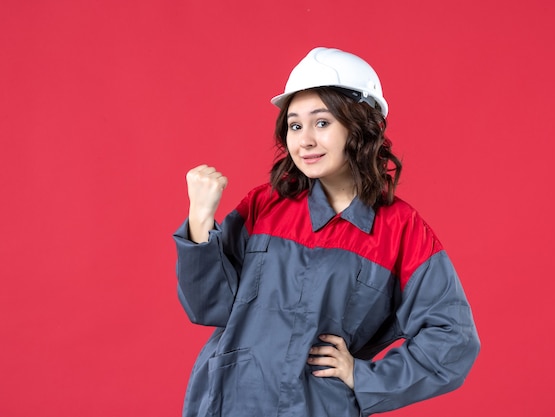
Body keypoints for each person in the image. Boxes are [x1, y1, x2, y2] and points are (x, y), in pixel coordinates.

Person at [173, 47, 480, 417]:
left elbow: (454, 340)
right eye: (295, 125)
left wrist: (363, 377)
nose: (305, 141)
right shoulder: (265, 205)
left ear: (361, 126)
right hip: (228, 401)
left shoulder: (401, 231)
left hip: (316, 408)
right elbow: (210, 307)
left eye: (322, 123)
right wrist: (201, 221)